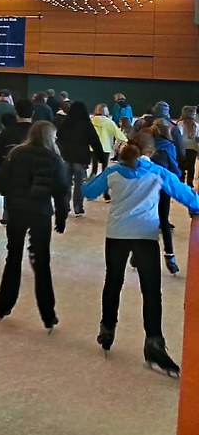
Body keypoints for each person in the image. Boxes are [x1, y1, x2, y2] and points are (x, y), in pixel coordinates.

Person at [83, 132, 199, 376]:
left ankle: (107, 328)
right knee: (151, 290)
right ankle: (154, 343)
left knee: (113, 281)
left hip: (117, 235)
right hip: (145, 236)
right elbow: (187, 196)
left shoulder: (113, 172)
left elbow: (89, 191)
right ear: (150, 151)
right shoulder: (157, 173)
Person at [0, 121, 68, 330]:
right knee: (42, 263)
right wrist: (62, 216)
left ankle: (4, 305)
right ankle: (48, 314)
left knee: (13, 257)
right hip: (40, 213)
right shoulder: (54, 158)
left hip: (17, 211)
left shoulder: (17, 154)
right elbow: (61, 190)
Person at [56, 100, 104, 217]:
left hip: (66, 156)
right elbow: (95, 141)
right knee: (79, 184)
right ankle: (78, 207)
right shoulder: (86, 124)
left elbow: (59, 137)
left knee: (65, 183)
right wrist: (102, 157)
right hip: (81, 158)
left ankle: (64, 207)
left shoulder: (65, 123)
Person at [151, 119, 183, 275]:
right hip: (163, 187)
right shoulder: (169, 146)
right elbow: (174, 169)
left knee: (146, 219)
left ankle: (136, 256)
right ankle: (170, 257)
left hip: (146, 187)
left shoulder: (147, 145)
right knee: (163, 219)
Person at [90, 104, 126, 179]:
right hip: (105, 148)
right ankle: (104, 188)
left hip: (93, 147)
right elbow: (119, 135)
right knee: (104, 169)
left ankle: (90, 185)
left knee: (94, 169)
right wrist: (127, 142)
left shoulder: (91, 121)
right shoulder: (109, 122)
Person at [181, 106, 197, 189]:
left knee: (182, 165)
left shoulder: (180, 124)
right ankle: (190, 183)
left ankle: (181, 181)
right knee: (191, 166)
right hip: (193, 149)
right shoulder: (197, 125)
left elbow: (178, 137)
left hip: (182, 148)